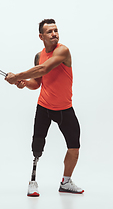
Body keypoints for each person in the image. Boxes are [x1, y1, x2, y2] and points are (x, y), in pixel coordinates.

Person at [5, 19, 84, 197]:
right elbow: (37, 83)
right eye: (49, 32)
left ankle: (66, 182)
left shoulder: (63, 51)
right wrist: (24, 83)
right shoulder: (38, 55)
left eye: (56, 30)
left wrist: (16, 75)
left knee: (74, 147)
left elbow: (43, 69)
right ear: (41, 36)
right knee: (37, 146)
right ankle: (33, 181)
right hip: (44, 107)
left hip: (65, 108)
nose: (54, 34)